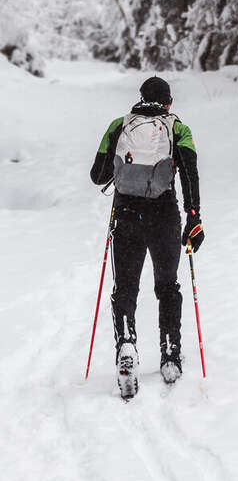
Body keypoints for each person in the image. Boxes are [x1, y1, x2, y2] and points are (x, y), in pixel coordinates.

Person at [90, 76, 204, 397]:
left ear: (140, 98)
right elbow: (190, 172)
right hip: (164, 214)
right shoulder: (177, 128)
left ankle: (126, 345)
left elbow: (97, 174)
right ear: (168, 102)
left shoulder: (119, 125)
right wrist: (193, 216)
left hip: (126, 215)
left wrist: (122, 169)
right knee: (167, 285)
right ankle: (170, 353)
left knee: (125, 287)